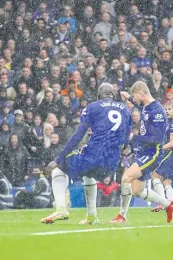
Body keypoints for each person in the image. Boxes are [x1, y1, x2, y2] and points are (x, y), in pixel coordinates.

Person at [40, 83, 131, 225]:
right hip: (112, 160)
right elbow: (126, 142)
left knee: (59, 170)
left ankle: (61, 208)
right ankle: (91, 216)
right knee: (89, 176)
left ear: (99, 95)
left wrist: (59, 158)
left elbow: (77, 136)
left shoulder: (93, 107)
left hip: (94, 154)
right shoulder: (125, 110)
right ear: (113, 94)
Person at [111, 81, 173, 224]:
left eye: (136, 96)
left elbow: (156, 138)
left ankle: (121, 216)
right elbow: (138, 104)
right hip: (143, 152)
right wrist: (128, 97)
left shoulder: (157, 111)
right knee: (137, 190)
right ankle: (167, 204)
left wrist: (135, 137)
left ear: (141, 93)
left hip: (153, 153)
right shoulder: (146, 106)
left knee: (125, 177)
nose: (136, 99)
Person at [150, 101, 173, 212]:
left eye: (170, 109)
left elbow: (172, 143)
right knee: (166, 180)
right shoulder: (169, 122)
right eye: (165, 109)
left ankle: (162, 203)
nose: (167, 111)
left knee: (155, 175)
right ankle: (172, 202)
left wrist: (158, 149)